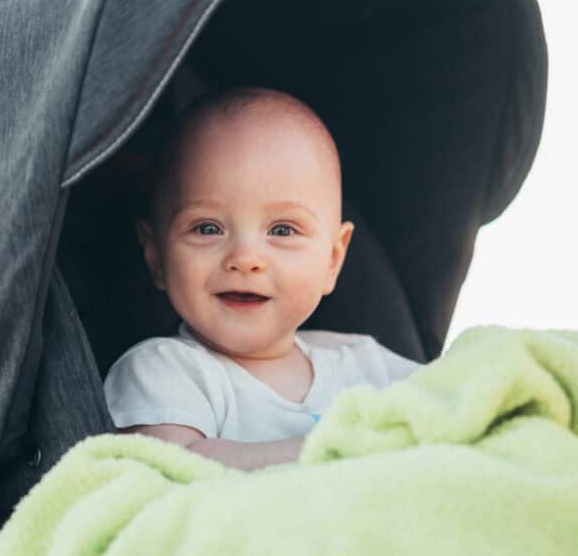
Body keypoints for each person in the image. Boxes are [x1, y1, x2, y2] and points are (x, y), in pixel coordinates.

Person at [103, 87, 421, 471]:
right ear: (156, 255)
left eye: (283, 230)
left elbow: (458, 406)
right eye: (207, 228)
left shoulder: (367, 365)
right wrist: (329, 451)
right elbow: (176, 468)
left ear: (333, 260)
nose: (245, 259)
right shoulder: (163, 369)